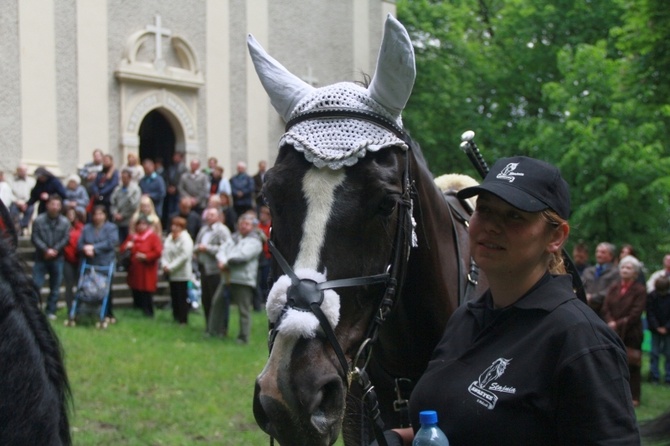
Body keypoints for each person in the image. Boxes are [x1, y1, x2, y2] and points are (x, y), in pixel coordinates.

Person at [377, 156, 639, 445]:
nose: (491, 226)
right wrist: (400, 439)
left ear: (556, 237)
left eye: (514, 215)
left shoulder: (580, 340)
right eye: (485, 210)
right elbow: (462, 423)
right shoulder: (465, 318)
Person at [601, 255, 647, 407]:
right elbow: (605, 306)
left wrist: (617, 323)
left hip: (631, 332)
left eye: (628, 268)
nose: (624, 270)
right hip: (612, 331)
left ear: (635, 272)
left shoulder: (639, 290)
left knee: (632, 365)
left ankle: (634, 396)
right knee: (612, 362)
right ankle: (613, 393)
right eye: (622, 267)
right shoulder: (614, 287)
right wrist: (610, 321)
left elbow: (636, 312)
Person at [212, 213, 263, 344]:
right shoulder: (234, 238)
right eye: (241, 224)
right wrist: (221, 260)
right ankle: (214, 331)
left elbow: (243, 256)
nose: (243, 226)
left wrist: (226, 263)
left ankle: (243, 337)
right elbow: (221, 250)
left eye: (247, 224)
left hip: (243, 280)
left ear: (252, 227)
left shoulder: (255, 241)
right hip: (227, 277)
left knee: (243, 310)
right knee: (217, 303)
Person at [31, 195, 70, 320]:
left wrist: (55, 250)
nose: (54, 207)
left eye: (57, 205)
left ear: (60, 207)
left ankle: (51, 311)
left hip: (57, 258)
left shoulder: (65, 222)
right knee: (36, 284)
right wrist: (45, 250)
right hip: (41, 257)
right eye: (52, 204)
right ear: (47, 205)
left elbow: (65, 238)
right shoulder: (39, 220)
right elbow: (35, 237)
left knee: (55, 287)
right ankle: (34, 310)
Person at [78, 205, 119, 321]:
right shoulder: (87, 228)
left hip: (105, 262)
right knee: (87, 288)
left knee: (106, 288)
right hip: (90, 263)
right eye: (96, 214)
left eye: (101, 214)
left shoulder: (111, 228)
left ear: (105, 215)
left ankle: (108, 313)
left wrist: (94, 248)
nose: (98, 217)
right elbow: (80, 244)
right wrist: (86, 249)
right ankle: (86, 311)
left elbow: (111, 242)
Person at [195, 207, 231, 334]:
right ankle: (209, 326)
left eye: (212, 215)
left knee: (218, 300)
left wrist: (207, 248)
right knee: (206, 298)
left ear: (218, 216)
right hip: (204, 268)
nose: (209, 217)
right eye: (208, 215)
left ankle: (221, 328)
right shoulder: (203, 229)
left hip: (216, 269)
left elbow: (226, 247)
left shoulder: (222, 230)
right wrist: (197, 250)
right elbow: (197, 243)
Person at [120, 216, 163, 317]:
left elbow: (158, 252)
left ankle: (148, 312)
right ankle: (137, 310)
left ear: (147, 226)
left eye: (143, 224)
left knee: (146, 292)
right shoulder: (132, 237)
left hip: (147, 270)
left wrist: (146, 256)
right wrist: (127, 246)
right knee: (136, 290)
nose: (141, 226)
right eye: (139, 224)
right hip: (135, 270)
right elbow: (122, 249)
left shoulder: (152, 237)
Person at [161, 216, 193, 325]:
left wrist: (171, 267)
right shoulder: (169, 237)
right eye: (173, 225)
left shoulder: (186, 239)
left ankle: (183, 319)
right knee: (174, 295)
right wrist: (165, 264)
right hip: (171, 273)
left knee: (181, 296)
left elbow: (184, 256)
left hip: (182, 273)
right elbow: (164, 252)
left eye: (177, 226)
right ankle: (175, 317)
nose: (174, 228)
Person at [581, 242, 620, 315]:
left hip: (604, 311)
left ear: (611, 256)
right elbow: (580, 285)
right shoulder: (588, 271)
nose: (599, 255)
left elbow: (611, 290)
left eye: (603, 252)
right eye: (597, 252)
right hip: (586, 309)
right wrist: (584, 295)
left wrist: (592, 297)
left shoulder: (616, 272)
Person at [647, 276, 670, 385]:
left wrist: (666, 327)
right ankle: (654, 376)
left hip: (668, 330)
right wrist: (657, 327)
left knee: (668, 354)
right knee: (654, 353)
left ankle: (668, 377)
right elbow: (650, 312)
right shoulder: (652, 296)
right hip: (655, 329)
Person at [62, 207, 85, 315]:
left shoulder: (82, 228)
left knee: (80, 285)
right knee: (69, 285)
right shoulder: (63, 227)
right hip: (67, 259)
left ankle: (80, 308)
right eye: (68, 214)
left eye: (72, 214)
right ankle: (70, 309)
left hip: (80, 259)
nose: (70, 216)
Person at [110, 168, 141, 244]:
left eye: (125, 178)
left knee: (128, 241)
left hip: (129, 220)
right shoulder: (117, 189)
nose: (123, 180)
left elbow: (134, 205)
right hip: (117, 221)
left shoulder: (135, 189)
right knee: (118, 242)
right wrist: (115, 213)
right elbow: (113, 202)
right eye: (122, 178)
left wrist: (123, 215)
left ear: (130, 178)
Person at [161, 151, 187, 230]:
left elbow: (182, 181)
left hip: (178, 193)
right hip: (170, 193)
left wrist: (176, 188)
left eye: (177, 156)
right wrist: (168, 187)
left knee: (176, 211)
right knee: (170, 212)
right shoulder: (170, 167)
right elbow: (167, 178)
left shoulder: (184, 168)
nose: (175, 158)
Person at [8, 164, 36, 235]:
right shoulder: (11, 180)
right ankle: (17, 227)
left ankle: (22, 226)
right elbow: (9, 193)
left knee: (31, 209)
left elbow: (33, 194)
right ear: (17, 171)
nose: (23, 172)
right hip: (15, 202)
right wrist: (17, 201)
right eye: (21, 170)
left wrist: (26, 203)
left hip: (27, 202)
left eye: (24, 170)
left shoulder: (32, 181)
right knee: (13, 211)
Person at [256, 205, 272, 311]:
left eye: (263, 214)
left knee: (266, 279)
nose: (261, 216)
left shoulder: (270, 226)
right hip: (258, 256)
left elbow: (270, 241)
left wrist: (262, 236)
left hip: (268, 256)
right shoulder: (258, 225)